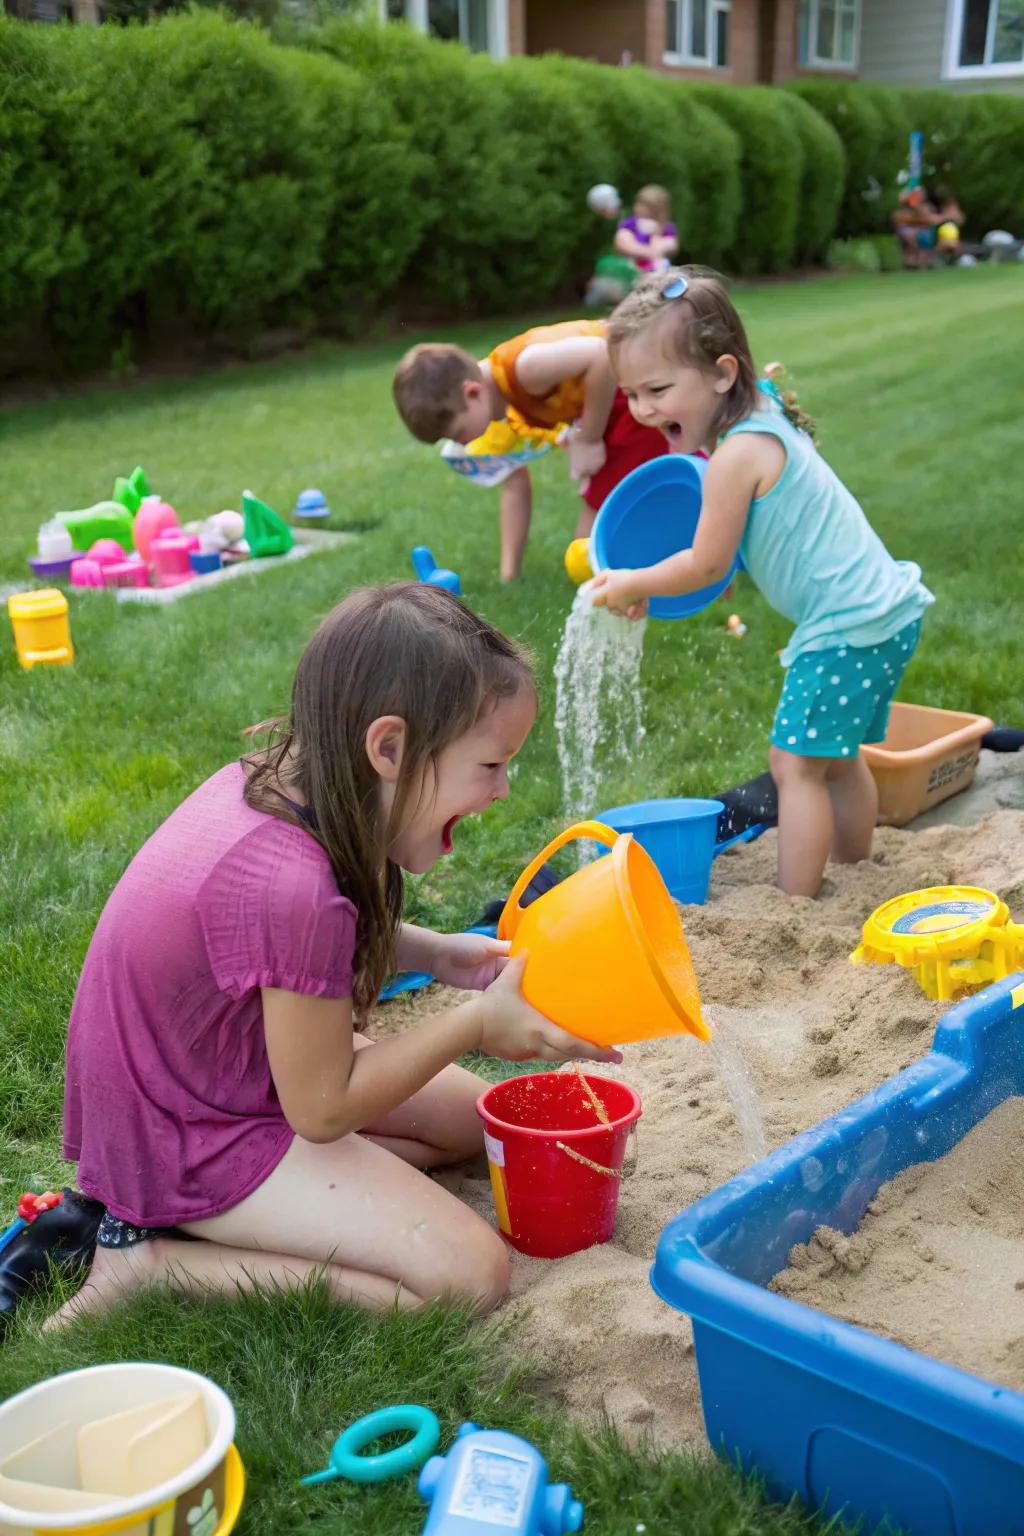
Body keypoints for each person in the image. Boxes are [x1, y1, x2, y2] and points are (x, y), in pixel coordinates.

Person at [54, 584, 619, 1329]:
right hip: (182, 1135)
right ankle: (155, 1263)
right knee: (470, 1276)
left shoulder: (282, 788)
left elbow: (273, 954)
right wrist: (475, 1023)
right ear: (389, 749)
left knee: (479, 1124)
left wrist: (439, 955)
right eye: (490, 764)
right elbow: (323, 1109)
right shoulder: (292, 887)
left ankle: (306, 1211)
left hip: (228, 1070)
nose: (503, 790)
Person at [590, 268, 934, 899]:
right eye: (631, 394)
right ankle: (856, 867)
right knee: (836, 755)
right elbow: (748, 545)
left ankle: (795, 904)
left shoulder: (735, 457)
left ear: (723, 373)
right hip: (884, 610)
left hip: (847, 625)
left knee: (794, 765)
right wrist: (655, 587)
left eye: (658, 389)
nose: (642, 411)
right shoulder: (760, 410)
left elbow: (704, 564)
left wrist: (633, 580)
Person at [393, 324, 666, 582]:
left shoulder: (526, 369)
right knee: (589, 549)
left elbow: (602, 353)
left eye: (457, 434)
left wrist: (589, 438)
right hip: (618, 403)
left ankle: (664, 560)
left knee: (591, 551)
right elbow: (514, 480)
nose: (462, 444)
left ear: (472, 393)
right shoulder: (499, 395)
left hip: (634, 394)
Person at [614, 185, 679, 275]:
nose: (639, 208)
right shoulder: (629, 224)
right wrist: (650, 252)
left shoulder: (667, 228)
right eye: (639, 204)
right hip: (631, 271)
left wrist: (655, 234)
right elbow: (625, 246)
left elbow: (670, 248)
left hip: (657, 272)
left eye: (646, 206)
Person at [891, 186, 939, 269]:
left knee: (923, 238)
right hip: (910, 232)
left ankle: (921, 261)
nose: (919, 196)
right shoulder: (904, 209)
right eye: (916, 194)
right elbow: (897, 220)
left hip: (924, 232)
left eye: (920, 194)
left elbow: (931, 220)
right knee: (910, 235)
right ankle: (912, 261)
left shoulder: (927, 207)